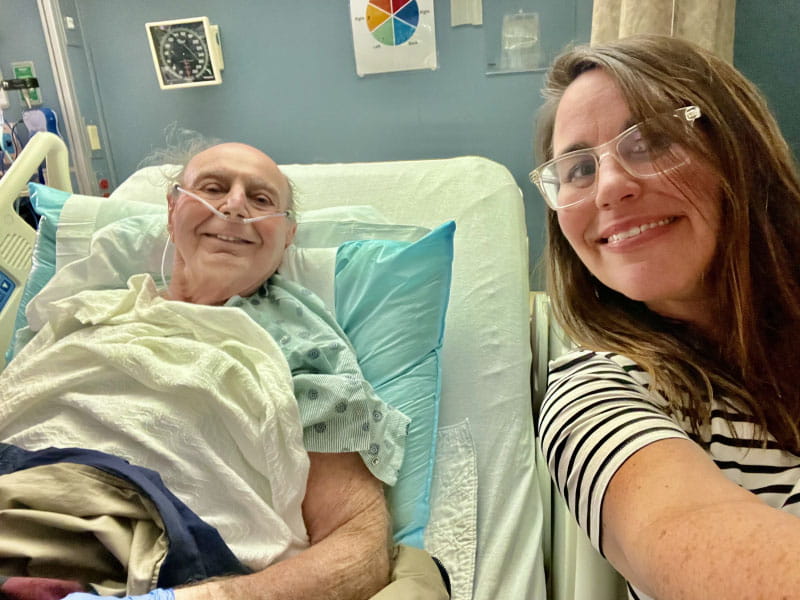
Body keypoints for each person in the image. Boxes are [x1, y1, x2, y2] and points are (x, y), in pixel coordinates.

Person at [0, 141, 449, 600]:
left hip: (138, 549)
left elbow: (358, 545)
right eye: (213, 188)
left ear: (288, 235)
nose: (234, 206)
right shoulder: (86, 311)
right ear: (172, 211)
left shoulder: (303, 347)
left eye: (261, 199)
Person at [531, 34, 800, 600]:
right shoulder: (593, 394)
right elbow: (678, 536)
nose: (609, 188)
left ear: (739, 148)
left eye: (651, 141)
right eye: (578, 170)